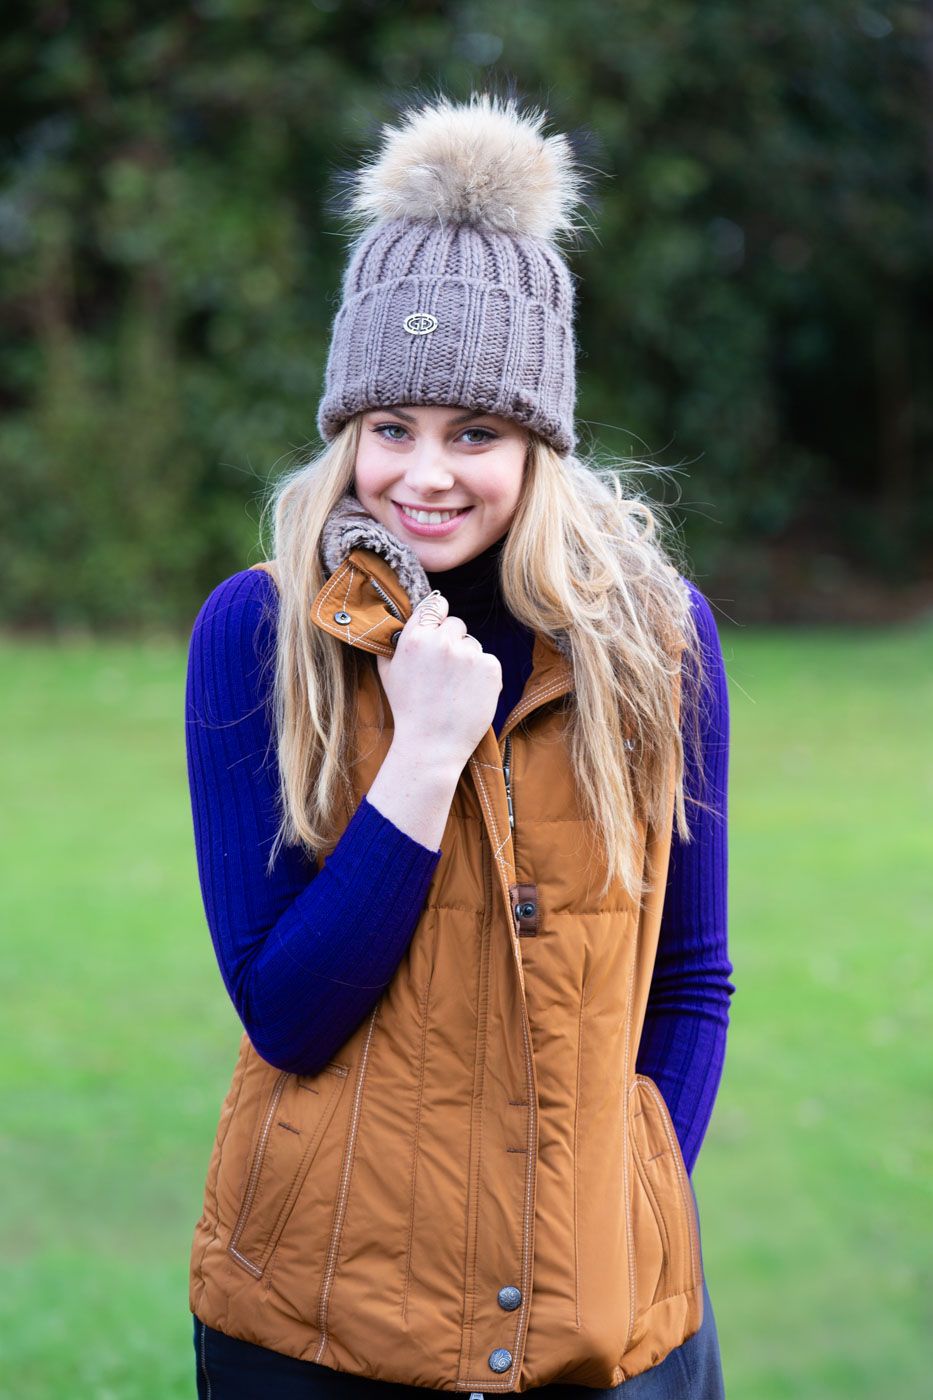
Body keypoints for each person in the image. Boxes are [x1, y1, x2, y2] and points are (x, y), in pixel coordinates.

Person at [185, 91, 734, 1398]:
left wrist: (627, 1206)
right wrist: (423, 756)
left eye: (473, 432)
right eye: (390, 427)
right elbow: (286, 1013)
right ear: (346, 431)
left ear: (536, 442)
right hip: (316, 1326)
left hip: (606, 1326)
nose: (422, 474)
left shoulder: (657, 638)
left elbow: (691, 977)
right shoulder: (257, 633)